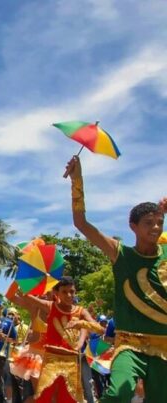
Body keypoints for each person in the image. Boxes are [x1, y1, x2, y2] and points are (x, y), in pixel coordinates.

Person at [67, 155, 166, 402]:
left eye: (160, 223)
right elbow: (81, 223)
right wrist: (77, 181)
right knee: (119, 392)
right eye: (148, 223)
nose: (155, 228)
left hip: (164, 347)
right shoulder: (120, 254)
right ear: (132, 226)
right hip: (129, 345)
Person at [14, 276, 100, 402]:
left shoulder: (81, 311)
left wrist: (82, 329)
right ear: (57, 293)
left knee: (67, 399)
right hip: (50, 361)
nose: (69, 295)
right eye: (64, 292)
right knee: (43, 397)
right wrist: (23, 279)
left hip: (71, 362)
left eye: (72, 292)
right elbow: (25, 295)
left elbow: (96, 327)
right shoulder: (50, 306)